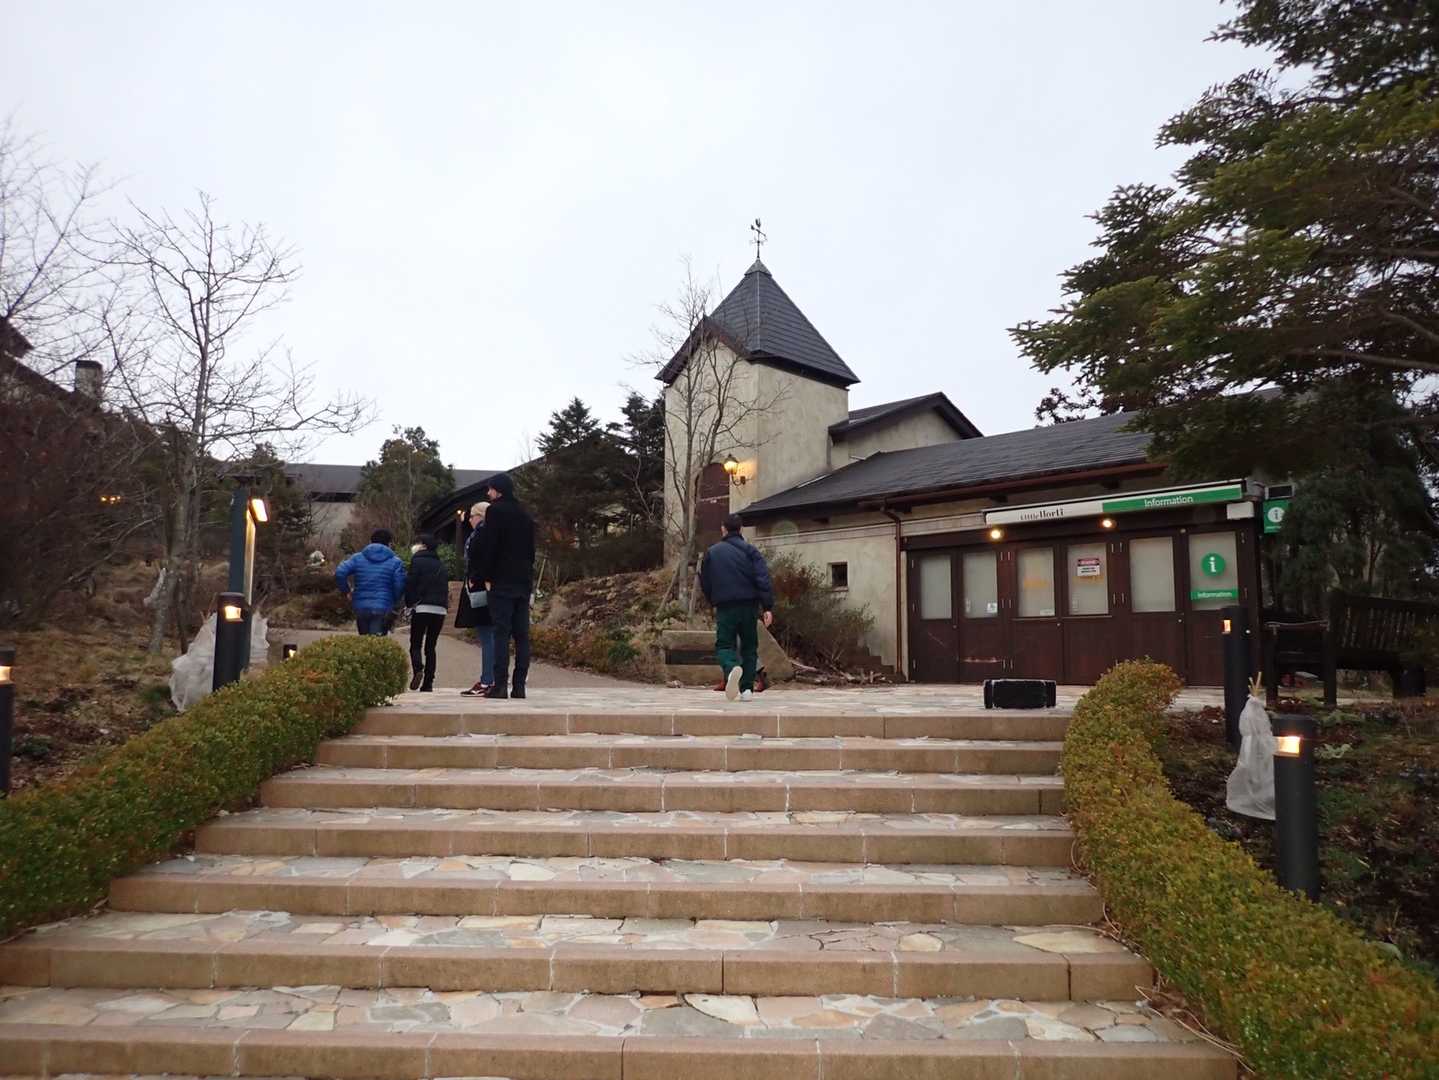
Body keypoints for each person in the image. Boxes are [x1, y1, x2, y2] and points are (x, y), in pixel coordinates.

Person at [699, 513, 775, 702]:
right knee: (749, 647)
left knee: (724, 644)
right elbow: (762, 579)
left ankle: (732, 667)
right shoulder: (751, 551)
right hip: (749, 605)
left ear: (723, 529)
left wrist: (712, 601)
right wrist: (767, 607)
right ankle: (747, 689)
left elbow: (705, 581)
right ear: (741, 529)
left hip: (725, 606)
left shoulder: (712, 552)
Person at [474, 472, 535, 699]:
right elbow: (531, 551)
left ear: (498, 490)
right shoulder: (525, 513)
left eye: (490, 489)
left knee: (501, 633)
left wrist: (485, 576)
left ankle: (500, 685)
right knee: (522, 635)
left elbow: (491, 545)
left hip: (501, 581)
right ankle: (519, 686)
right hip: (523, 581)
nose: (488, 493)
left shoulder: (495, 511)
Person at [455, 502, 496, 696]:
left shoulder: (482, 534)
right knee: (489, 635)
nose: (469, 520)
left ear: (480, 516)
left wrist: (475, 578)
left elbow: (479, 560)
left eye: (472, 516)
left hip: (481, 588)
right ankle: (491, 677)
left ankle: (488, 679)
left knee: (487, 635)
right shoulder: (490, 533)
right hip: (485, 587)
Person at [335, 528, 406, 635]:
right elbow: (399, 585)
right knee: (376, 641)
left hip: (360, 606)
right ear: (390, 544)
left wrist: (347, 591)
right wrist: (394, 600)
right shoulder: (396, 562)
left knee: (364, 641)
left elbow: (340, 572)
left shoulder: (357, 558)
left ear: (370, 542)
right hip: (383, 606)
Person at [404, 532, 449, 692]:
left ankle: (418, 669)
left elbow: (410, 584)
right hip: (440, 610)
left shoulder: (417, 561)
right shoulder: (441, 564)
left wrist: (409, 604)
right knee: (431, 646)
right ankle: (428, 683)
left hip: (421, 607)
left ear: (422, 546)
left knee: (415, 644)